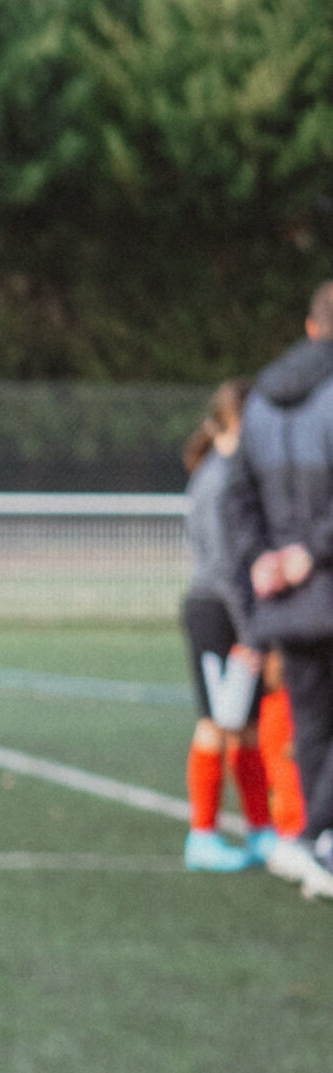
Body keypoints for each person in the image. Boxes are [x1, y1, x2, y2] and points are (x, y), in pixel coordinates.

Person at [224, 281, 333, 899]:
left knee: (314, 718)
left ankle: (310, 842)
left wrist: (261, 557)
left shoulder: (262, 397)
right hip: (323, 578)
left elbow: (235, 496)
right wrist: (307, 554)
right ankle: (320, 835)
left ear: (310, 327)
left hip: (286, 599)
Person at [178, 379, 274, 871]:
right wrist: (251, 633)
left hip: (233, 613)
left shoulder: (231, 474)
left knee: (248, 727)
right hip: (217, 613)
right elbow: (224, 569)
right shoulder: (219, 481)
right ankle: (203, 835)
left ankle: (261, 830)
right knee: (217, 724)